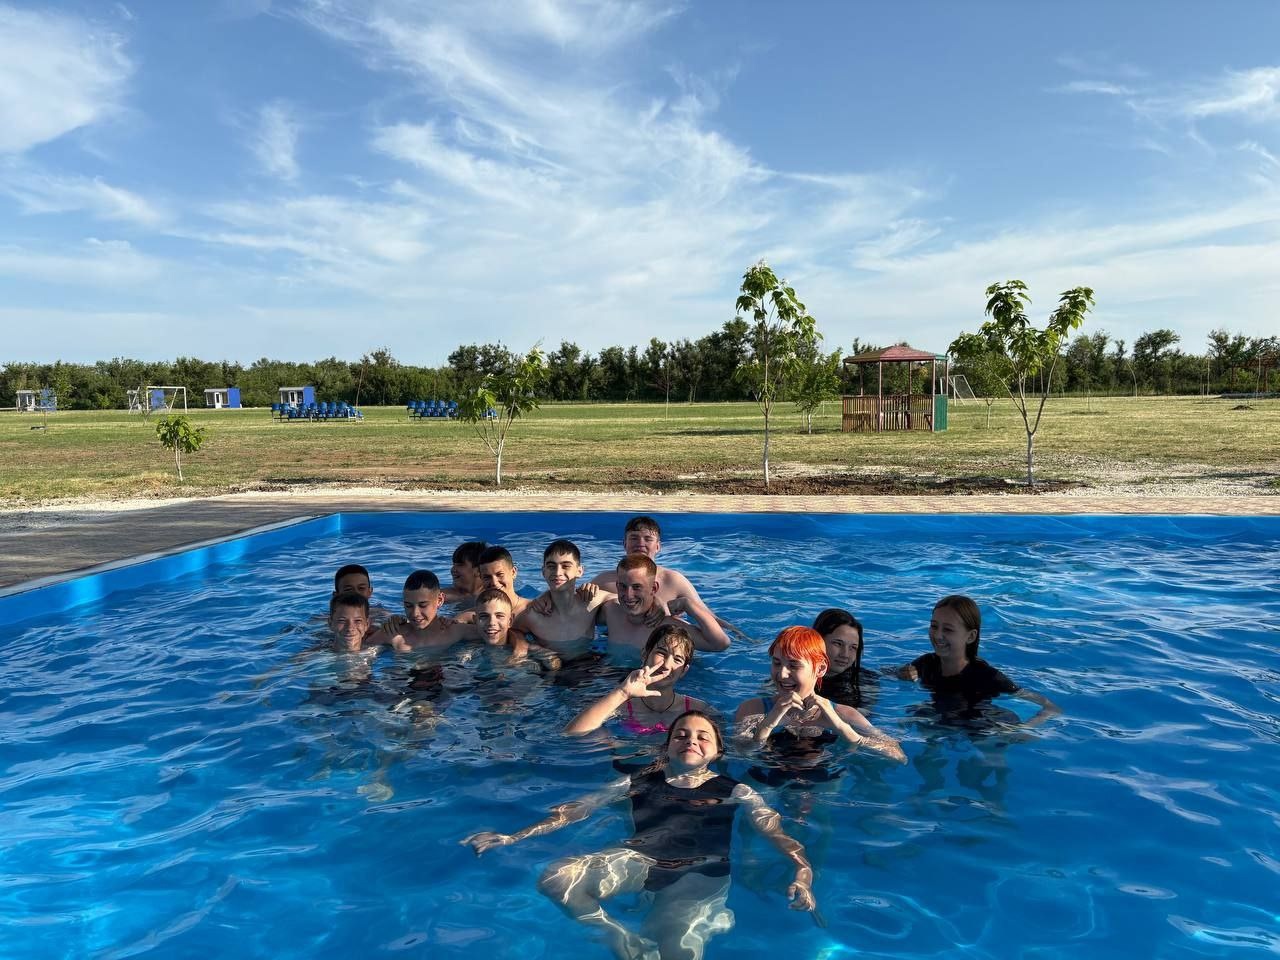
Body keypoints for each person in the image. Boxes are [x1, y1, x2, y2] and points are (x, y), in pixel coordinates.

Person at [463, 711, 816, 960]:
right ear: (667, 746)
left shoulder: (737, 790)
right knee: (557, 878)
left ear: (717, 751)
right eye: (681, 735)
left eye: (702, 736)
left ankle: (709, 917)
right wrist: (513, 837)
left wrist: (803, 872)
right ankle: (619, 938)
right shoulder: (636, 781)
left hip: (699, 875)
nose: (690, 740)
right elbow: (576, 809)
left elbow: (775, 831)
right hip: (640, 861)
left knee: (676, 952)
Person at [735, 626, 905, 765]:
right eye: (776, 663)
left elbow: (898, 756)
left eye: (794, 665)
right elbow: (741, 752)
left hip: (824, 779)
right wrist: (768, 724)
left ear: (820, 669)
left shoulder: (844, 714)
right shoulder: (753, 709)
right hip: (768, 776)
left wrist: (842, 728)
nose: (782, 674)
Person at [889, 595, 1060, 727]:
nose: (938, 635)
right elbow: (885, 673)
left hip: (980, 725)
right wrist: (901, 673)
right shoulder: (926, 664)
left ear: (970, 636)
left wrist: (1024, 729)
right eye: (934, 626)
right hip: (943, 717)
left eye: (948, 629)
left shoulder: (986, 676)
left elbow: (1051, 707)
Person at [565, 624, 711, 736]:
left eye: (677, 659)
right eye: (661, 653)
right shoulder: (621, 706)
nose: (666, 665)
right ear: (644, 655)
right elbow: (572, 734)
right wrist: (622, 693)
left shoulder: (698, 710)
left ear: (684, 671)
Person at [599, 554, 730, 658]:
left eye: (637, 587)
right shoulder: (612, 611)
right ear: (617, 586)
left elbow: (720, 643)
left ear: (654, 588)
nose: (629, 595)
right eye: (623, 586)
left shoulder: (667, 628)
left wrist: (688, 604)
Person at [516, 539, 614, 664]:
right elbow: (512, 632)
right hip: (549, 668)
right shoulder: (533, 614)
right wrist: (527, 646)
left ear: (579, 571)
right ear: (543, 572)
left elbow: (625, 601)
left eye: (566, 566)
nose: (558, 572)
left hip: (587, 664)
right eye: (551, 566)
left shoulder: (591, 602)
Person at [812, 609, 878, 711]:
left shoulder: (866, 682)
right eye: (838, 644)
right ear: (818, 640)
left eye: (853, 647)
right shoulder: (793, 675)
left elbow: (862, 717)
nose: (845, 655)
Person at [476, 545, 531, 619]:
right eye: (487, 577)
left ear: (513, 572)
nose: (494, 582)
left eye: (499, 574)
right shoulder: (472, 615)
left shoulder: (533, 610)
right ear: (481, 578)